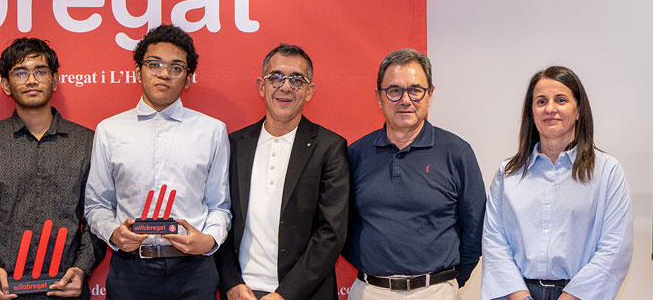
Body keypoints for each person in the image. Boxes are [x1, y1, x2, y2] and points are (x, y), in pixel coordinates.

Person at [84, 24, 230, 299]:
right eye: (154, 64)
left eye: (176, 67)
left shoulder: (212, 131)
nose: (164, 73)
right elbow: (97, 204)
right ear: (138, 71)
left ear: (188, 79)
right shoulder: (110, 130)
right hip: (131, 271)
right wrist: (114, 233)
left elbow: (220, 205)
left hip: (194, 271)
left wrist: (208, 240)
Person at [0, 38, 105, 300]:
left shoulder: (87, 141)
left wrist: (81, 269)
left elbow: (98, 213)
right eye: (20, 72)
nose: (31, 80)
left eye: (40, 71)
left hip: (66, 287)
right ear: (6, 84)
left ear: (55, 79)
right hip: (4, 289)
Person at [343, 49, 485, 299]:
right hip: (370, 291)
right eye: (394, 91)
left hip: (436, 291)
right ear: (379, 97)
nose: (405, 100)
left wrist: (449, 282)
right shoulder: (355, 155)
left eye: (415, 90)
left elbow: (474, 228)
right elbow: (339, 226)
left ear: (430, 95)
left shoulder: (457, 153)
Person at [481, 66, 632, 300]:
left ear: (579, 110)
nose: (550, 109)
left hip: (582, 295)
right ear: (531, 112)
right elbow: (494, 242)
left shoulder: (607, 171)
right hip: (518, 295)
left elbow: (615, 249)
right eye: (541, 101)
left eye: (561, 100)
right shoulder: (507, 174)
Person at [214, 44, 350, 300]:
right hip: (242, 294)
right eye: (276, 77)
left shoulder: (330, 148)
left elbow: (331, 232)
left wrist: (285, 294)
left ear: (309, 91)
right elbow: (219, 215)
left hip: (304, 294)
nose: (285, 87)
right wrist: (231, 282)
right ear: (261, 86)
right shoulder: (234, 145)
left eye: (297, 80)